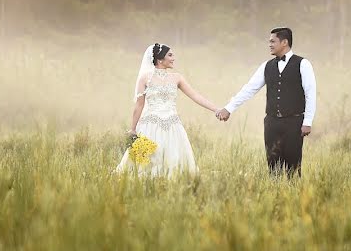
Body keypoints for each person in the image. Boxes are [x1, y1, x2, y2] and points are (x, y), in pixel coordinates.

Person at [216, 27, 317, 177]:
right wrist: (229, 108)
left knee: (293, 169)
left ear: (284, 42)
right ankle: (274, 197)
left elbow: (310, 93)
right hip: (271, 123)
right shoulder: (266, 66)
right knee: (272, 167)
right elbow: (249, 89)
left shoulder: (303, 64)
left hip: (294, 122)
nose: (269, 44)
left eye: (272, 41)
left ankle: (294, 197)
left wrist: (307, 121)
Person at [116, 43, 220, 176]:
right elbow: (139, 105)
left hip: (173, 126)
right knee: (146, 162)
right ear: (160, 59)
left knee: (174, 158)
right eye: (170, 55)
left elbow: (195, 96)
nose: (173, 58)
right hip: (150, 126)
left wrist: (216, 109)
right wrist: (133, 129)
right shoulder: (145, 78)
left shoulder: (177, 78)